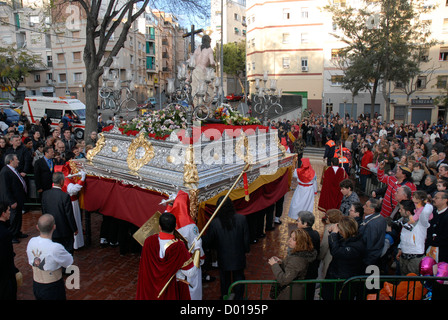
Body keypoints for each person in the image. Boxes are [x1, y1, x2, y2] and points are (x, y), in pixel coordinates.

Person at [136, 212, 197, 300]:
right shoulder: (178, 246)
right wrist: (197, 250)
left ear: (159, 226)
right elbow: (190, 272)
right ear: (175, 226)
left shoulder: (149, 241)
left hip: (150, 288)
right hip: (170, 289)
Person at [203, 196, 250, 300]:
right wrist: (245, 250)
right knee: (239, 278)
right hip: (238, 256)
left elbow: (208, 240)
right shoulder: (241, 219)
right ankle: (239, 298)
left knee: (225, 280)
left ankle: (226, 297)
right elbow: (246, 240)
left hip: (223, 257)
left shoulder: (215, 223)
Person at [165, 190, 205, 300]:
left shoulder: (168, 219)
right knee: (192, 287)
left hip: (174, 261)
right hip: (189, 260)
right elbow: (197, 245)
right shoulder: (191, 227)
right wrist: (201, 256)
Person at [26, 214, 73, 300]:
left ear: (37, 227)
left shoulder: (31, 241)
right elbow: (69, 261)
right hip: (52, 286)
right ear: (54, 227)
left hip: (37, 284)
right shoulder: (55, 247)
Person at [321, 216, 365, 300]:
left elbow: (336, 251)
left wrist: (334, 234)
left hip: (343, 283)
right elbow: (336, 247)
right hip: (335, 277)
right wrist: (333, 234)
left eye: (340, 230)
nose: (339, 231)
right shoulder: (349, 239)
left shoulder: (356, 246)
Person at [268, 229, 317, 300]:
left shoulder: (297, 259)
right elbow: (292, 269)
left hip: (290, 293)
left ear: (301, 243)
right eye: (290, 237)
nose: (289, 240)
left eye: (294, 239)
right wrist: (281, 262)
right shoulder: (299, 255)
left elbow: (284, 279)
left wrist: (274, 265)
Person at [41, 172, 78, 254]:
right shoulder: (65, 196)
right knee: (67, 254)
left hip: (51, 231)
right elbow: (69, 215)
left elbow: (44, 212)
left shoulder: (45, 194)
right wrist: (74, 228)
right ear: (62, 181)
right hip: (64, 231)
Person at [396, 199, 432, 275]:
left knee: (413, 284)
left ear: (408, 212)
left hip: (415, 259)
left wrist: (424, 201)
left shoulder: (421, 222)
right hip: (403, 257)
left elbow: (427, 210)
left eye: (401, 209)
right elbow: (404, 237)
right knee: (404, 283)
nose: (399, 211)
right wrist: (400, 248)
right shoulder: (404, 221)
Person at [0, 154, 28, 243]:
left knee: (18, 216)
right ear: (11, 161)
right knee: (13, 217)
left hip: (18, 198)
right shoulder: (5, 171)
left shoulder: (13, 170)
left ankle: (17, 232)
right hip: (13, 200)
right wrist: (11, 201)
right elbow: (5, 188)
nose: (18, 161)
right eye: (16, 159)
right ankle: (12, 235)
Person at [426, 191, 448, 299]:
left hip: (443, 256)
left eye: (437, 198)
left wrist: (431, 240)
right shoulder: (433, 213)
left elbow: (444, 238)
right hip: (430, 253)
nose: (434, 199)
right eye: (434, 197)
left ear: (445, 200)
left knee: (440, 283)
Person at [296, 210, 320, 300]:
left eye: (298, 221)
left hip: (303, 270)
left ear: (305, 223)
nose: (297, 222)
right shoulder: (316, 234)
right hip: (312, 269)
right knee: (310, 292)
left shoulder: (301, 236)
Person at [0, 202, 21, 299]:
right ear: (3, 213)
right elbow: (7, 257)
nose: (10, 212)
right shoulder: (5, 234)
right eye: (8, 210)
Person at [359, 198, 387, 268]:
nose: (363, 207)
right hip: (376, 255)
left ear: (373, 209)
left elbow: (368, 244)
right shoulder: (381, 218)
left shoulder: (371, 224)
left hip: (368, 258)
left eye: (366, 205)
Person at [318, 209, 343, 280]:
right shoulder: (341, 226)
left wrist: (319, 257)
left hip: (329, 257)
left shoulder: (329, 228)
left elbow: (324, 245)